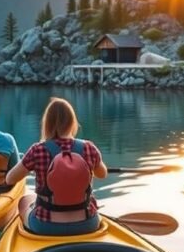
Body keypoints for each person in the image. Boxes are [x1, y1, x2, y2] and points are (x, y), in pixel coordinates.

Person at [6, 97, 108, 236]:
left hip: (45, 226)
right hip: (87, 223)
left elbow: (10, 179)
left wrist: (35, 169)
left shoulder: (38, 150)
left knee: (25, 200)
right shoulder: (89, 148)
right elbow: (102, 174)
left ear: (47, 123)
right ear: (72, 122)